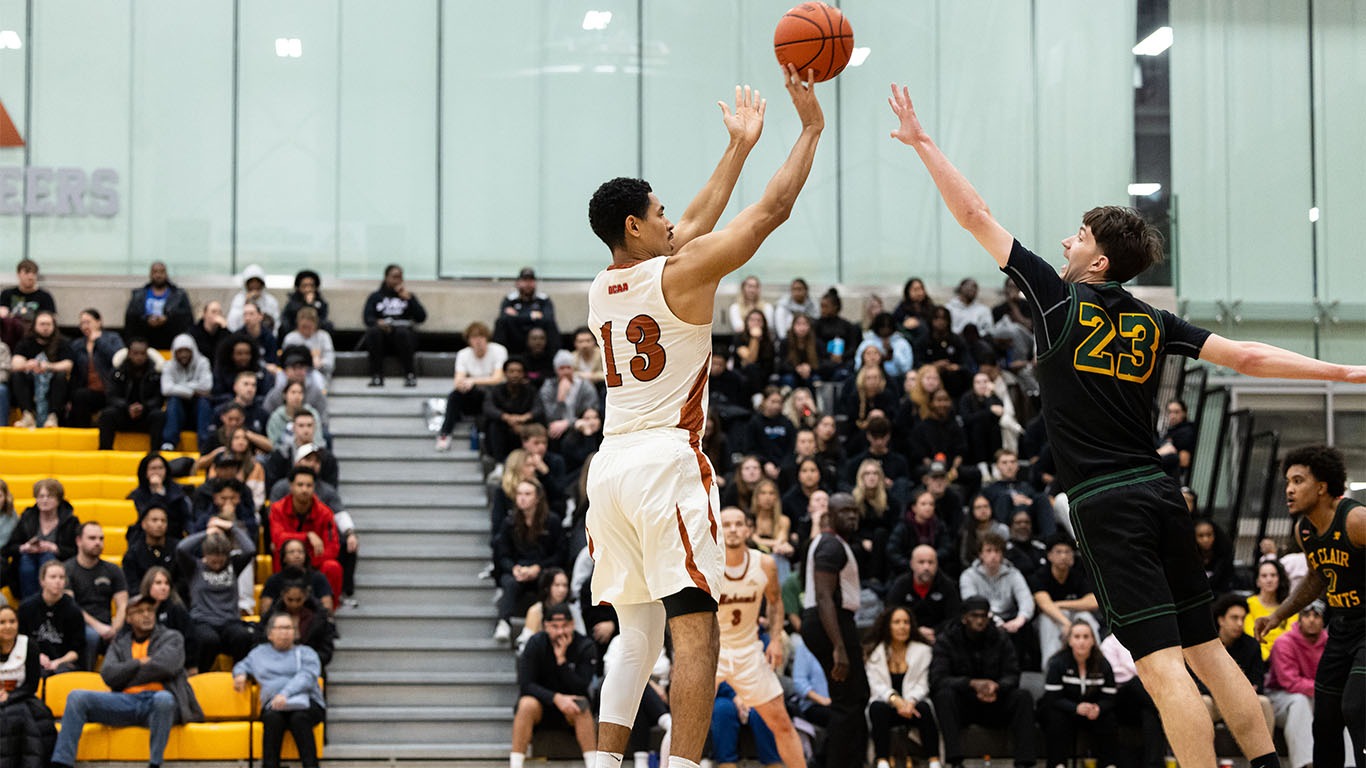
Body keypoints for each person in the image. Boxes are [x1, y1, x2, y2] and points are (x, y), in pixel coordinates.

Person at [889, 82, 1366, 768]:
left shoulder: (1058, 301)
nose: (1066, 241)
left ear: (1099, 262)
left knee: (1161, 666)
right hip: (1162, 493)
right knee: (1207, 650)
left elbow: (973, 213)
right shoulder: (1155, 320)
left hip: (1107, 502)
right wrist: (1344, 373)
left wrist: (923, 143)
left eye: (1079, 236)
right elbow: (1250, 357)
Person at [583, 70, 823, 768]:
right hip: (664, 462)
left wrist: (738, 147)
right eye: (658, 212)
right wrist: (809, 128)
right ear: (634, 225)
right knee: (697, 633)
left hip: (610, 468)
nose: (672, 221)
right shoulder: (682, 275)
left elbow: (689, 228)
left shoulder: (603, 285)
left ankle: (604, 764)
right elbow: (771, 211)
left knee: (636, 633)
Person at [1254, 445, 1365, 768]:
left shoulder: (1356, 520)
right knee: (1325, 718)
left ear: (1322, 487)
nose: (1289, 489)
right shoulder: (1304, 530)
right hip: (1342, 628)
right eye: (1288, 481)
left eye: (1298, 481)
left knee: (1356, 706)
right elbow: (1316, 577)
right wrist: (1278, 615)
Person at [49, 593, 203, 768]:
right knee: (77, 697)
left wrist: (125, 677)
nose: (146, 615)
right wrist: (138, 663)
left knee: (164, 699)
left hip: (159, 703)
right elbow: (108, 674)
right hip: (126, 702)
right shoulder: (119, 643)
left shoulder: (172, 637)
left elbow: (167, 666)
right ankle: (61, 763)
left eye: (150, 610)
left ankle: (155, 764)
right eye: (140, 611)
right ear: (128, 618)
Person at [713, 508, 805, 768]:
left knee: (782, 723)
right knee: (685, 724)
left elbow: (775, 603)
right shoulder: (706, 564)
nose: (732, 529)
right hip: (712, 652)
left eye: (738, 524)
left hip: (748, 651)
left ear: (748, 530)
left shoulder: (765, 563)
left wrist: (775, 639)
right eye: (726, 524)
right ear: (717, 529)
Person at [800, 493, 869, 768]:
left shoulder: (829, 542)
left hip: (827, 621)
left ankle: (823, 760)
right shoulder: (831, 545)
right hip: (830, 622)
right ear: (830, 515)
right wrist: (838, 646)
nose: (852, 515)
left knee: (853, 697)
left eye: (855, 511)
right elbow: (824, 596)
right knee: (849, 701)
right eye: (845, 511)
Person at [929, 595, 1036, 768]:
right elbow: (937, 679)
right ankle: (955, 761)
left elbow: (1013, 674)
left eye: (984, 616)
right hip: (964, 703)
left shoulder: (1000, 637)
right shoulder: (947, 640)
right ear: (964, 618)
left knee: (1023, 697)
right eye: (975, 616)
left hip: (995, 701)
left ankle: (1024, 763)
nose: (979, 621)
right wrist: (971, 684)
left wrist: (997, 687)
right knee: (944, 696)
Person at [233, 612, 326, 768]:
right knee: (272, 718)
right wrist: (240, 674)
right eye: (281, 628)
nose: (286, 632)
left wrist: (284, 694)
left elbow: (307, 677)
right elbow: (242, 665)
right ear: (270, 634)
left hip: (306, 703)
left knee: (299, 718)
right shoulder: (259, 653)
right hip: (274, 705)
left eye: (289, 628)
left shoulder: (306, 653)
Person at [512, 602, 598, 768]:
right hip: (541, 705)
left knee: (581, 704)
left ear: (572, 624)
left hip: (570, 709)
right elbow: (526, 685)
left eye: (565, 626)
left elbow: (582, 686)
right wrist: (556, 698)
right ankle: (515, 764)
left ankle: (593, 764)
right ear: (545, 626)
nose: (560, 632)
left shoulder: (585, 646)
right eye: (555, 627)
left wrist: (562, 662)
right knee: (526, 704)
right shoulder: (535, 643)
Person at [864, 606, 940, 768]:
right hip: (887, 705)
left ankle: (934, 760)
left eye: (906, 622)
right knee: (877, 708)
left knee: (924, 708)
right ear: (888, 626)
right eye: (897, 622)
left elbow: (923, 683)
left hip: (913, 705)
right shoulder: (875, 652)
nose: (902, 627)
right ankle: (882, 760)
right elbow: (876, 685)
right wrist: (895, 700)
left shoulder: (923, 651)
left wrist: (910, 702)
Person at [176, 522, 257, 671]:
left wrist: (231, 527)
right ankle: (200, 674)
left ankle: (240, 674)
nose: (218, 564)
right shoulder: (194, 567)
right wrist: (206, 533)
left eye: (221, 559)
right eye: (213, 559)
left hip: (230, 621)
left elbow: (250, 549)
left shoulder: (233, 566)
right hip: (203, 621)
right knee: (208, 640)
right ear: (205, 555)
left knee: (242, 636)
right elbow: (181, 548)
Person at [1040, 621, 1118, 768]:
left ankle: (1109, 764)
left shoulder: (1103, 664)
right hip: (1066, 710)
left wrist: (1098, 708)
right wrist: (1076, 708)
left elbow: (1110, 698)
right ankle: (1058, 764)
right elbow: (1052, 698)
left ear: (1093, 640)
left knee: (1109, 718)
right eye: (1077, 637)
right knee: (1055, 716)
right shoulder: (1057, 663)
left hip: (1092, 713)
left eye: (1086, 637)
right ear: (1069, 641)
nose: (1081, 641)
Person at [492, 478, 563, 641]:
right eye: (519, 494)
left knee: (550, 582)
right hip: (518, 569)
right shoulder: (509, 523)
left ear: (537, 497)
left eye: (527, 494)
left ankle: (535, 629)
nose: (522, 498)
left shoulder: (552, 521)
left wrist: (538, 568)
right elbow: (502, 554)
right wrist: (514, 568)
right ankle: (504, 623)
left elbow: (560, 554)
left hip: (544, 569)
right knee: (509, 582)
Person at [1263, 601, 1328, 768]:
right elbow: (1289, 682)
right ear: (1299, 619)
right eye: (1306, 615)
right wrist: (1323, 689)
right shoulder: (1284, 642)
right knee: (1300, 701)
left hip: (1317, 696)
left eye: (1316, 616)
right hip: (1280, 698)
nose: (1311, 620)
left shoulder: (1330, 643)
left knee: (1342, 705)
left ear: (1323, 620)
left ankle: (1350, 764)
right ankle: (1306, 764)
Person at [268, 467, 343, 601]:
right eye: (300, 485)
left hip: (315, 565)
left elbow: (333, 549)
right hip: (286, 562)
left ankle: (328, 609)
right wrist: (307, 536)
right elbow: (278, 539)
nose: (304, 489)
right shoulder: (277, 509)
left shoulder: (325, 513)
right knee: (280, 552)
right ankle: (280, 604)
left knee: (332, 567)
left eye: (309, 485)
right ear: (291, 486)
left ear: (314, 487)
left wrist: (305, 560)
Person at [2, 478, 81, 601]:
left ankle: (48, 601)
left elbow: (76, 551)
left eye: (49, 496)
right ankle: (30, 603)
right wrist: (25, 547)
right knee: (26, 561)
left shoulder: (70, 521)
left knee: (47, 558)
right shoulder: (27, 517)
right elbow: (10, 548)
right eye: (41, 496)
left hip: (58, 563)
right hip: (26, 562)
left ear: (59, 499)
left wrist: (55, 548)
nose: (44, 500)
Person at [63, 522, 129, 670]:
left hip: (108, 625)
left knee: (128, 633)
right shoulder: (67, 569)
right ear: (78, 541)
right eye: (92, 538)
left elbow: (123, 604)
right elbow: (71, 606)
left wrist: (115, 628)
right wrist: (98, 627)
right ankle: (87, 676)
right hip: (80, 624)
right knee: (91, 635)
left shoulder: (113, 570)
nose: (98, 542)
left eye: (101, 538)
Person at [0, 602, 57, 768]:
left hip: (22, 696)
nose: (8, 626)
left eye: (12, 621)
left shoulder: (29, 645)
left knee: (35, 721)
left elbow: (32, 684)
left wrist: (10, 696)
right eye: (2, 622)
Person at [1030, 533, 1100, 667]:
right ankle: (1050, 668)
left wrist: (1060, 604)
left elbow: (1093, 602)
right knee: (1048, 620)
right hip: (1049, 619)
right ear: (1049, 556)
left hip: (1073, 616)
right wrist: (1067, 624)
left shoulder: (1078, 575)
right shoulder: (1040, 576)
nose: (1063, 556)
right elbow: (1044, 604)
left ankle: (1096, 665)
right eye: (1058, 552)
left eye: (1067, 552)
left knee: (1086, 617)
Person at [436, 321, 507, 451]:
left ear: (487, 338)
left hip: (493, 394)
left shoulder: (498, 350)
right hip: (473, 394)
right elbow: (458, 381)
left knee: (488, 393)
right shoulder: (463, 354)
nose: (478, 341)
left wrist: (472, 380)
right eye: (474, 337)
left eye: (481, 336)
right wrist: (465, 384)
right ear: (468, 340)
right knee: (455, 395)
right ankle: (445, 434)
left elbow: (498, 379)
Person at [362, 263, 427, 387]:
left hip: (403, 337)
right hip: (382, 337)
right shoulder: (375, 297)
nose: (398, 281)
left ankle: (410, 375)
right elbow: (367, 318)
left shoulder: (408, 296)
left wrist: (410, 300)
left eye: (400, 277)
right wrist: (378, 322)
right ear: (386, 278)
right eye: (395, 277)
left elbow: (421, 318)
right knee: (373, 332)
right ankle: (377, 376)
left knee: (402, 332)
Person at [97, 337, 166, 450]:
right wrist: (127, 407)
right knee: (107, 415)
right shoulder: (118, 372)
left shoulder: (155, 373)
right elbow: (111, 396)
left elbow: (158, 399)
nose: (139, 357)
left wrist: (144, 407)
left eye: (142, 353)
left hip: (146, 414)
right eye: (135, 353)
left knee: (159, 416)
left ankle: (155, 453)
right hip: (124, 413)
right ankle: (105, 451)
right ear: (129, 353)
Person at [886, 545, 962, 644]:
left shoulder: (948, 586)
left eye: (931, 562)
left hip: (940, 639)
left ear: (937, 564)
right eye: (921, 562)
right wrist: (914, 631)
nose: (926, 567)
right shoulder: (900, 585)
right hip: (907, 637)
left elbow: (954, 618)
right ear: (912, 564)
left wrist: (935, 631)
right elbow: (891, 614)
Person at [16, 560, 83, 674]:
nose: (58, 581)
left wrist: (58, 662)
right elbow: (20, 640)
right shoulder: (26, 607)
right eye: (53, 577)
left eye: (61, 577)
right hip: (33, 659)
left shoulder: (73, 610)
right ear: (42, 581)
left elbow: (77, 650)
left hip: (62, 663)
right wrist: (37, 656)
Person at [9, 310, 73, 428]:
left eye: (48, 324)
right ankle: (27, 415)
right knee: (17, 375)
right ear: (35, 326)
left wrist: (49, 366)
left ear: (54, 326)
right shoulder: (25, 342)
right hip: (31, 384)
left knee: (61, 376)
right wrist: (27, 364)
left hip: (54, 385)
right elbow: (15, 364)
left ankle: (53, 416)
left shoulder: (62, 342)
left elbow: (68, 364)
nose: (45, 328)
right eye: (42, 324)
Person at [67, 308, 125, 427]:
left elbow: (119, 360)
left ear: (99, 322)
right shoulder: (77, 345)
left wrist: (99, 341)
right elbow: (74, 374)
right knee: (79, 396)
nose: (85, 326)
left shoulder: (113, 338)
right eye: (82, 323)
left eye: (88, 322)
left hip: (111, 391)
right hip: (90, 392)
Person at [136, 566, 197, 674]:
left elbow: (190, 639)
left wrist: (192, 666)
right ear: (148, 585)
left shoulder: (177, 609)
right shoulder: (136, 608)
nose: (164, 587)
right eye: (158, 583)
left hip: (173, 665)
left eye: (167, 583)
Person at [160, 333, 213, 451]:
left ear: (193, 351)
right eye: (180, 351)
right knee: (173, 401)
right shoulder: (168, 365)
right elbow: (166, 389)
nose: (183, 355)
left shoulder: (203, 362)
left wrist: (178, 387)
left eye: (186, 351)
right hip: (178, 412)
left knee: (204, 401)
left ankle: (204, 444)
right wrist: (192, 392)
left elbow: (206, 387)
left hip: (197, 411)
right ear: (174, 352)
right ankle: (169, 442)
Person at [122, 261, 193, 349]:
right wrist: (146, 320)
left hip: (170, 340)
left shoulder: (179, 295)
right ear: (150, 274)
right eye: (155, 272)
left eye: (162, 272)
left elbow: (187, 319)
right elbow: (131, 319)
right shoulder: (138, 295)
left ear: (166, 274)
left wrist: (168, 319)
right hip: (145, 340)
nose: (158, 275)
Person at [494, 266, 560, 356]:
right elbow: (504, 317)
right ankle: (502, 356)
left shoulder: (543, 299)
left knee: (550, 325)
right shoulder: (510, 299)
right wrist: (531, 316)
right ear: (518, 283)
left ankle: (554, 357)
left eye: (531, 281)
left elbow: (548, 318)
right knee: (501, 322)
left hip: (537, 332)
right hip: (516, 334)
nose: (528, 284)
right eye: (525, 281)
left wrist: (517, 316)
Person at [1244, 559, 1293, 660]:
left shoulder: (1288, 607)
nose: (1269, 580)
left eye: (1273, 575)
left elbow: (1291, 636)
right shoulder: (1248, 604)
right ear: (1257, 581)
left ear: (1279, 579)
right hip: (1257, 658)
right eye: (1264, 576)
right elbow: (1251, 636)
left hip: (1284, 657)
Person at [279, 307, 335, 383]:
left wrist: (319, 363)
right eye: (304, 327)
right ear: (298, 323)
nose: (306, 330)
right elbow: (285, 362)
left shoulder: (324, 337)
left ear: (315, 324)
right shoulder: (290, 338)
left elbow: (330, 363)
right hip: (294, 376)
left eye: (309, 327)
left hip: (319, 375)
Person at [277, 269, 330, 340]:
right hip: (295, 332)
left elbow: (323, 319)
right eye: (304, 286)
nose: (308, 289)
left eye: (311, 286)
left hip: (315, 334)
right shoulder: (292, 302)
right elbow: (285, 319)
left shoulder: (321, 303)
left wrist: (311, 304)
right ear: (298, 287)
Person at [227, 264, 281, 332]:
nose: (254, 285)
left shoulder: (270, 301)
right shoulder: (239, 299)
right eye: (251, 282)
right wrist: (246, 302)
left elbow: (276, 323)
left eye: (257, 282)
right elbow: (232, 323)